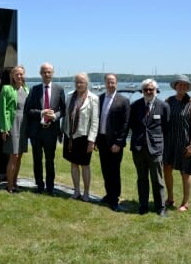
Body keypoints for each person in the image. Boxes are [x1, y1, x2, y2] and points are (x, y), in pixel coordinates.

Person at [128, 79, 169, 216]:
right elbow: (131, 125)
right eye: (146, 89)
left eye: (151, 89)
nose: (148, 91)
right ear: (142, 91)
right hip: (138, 148)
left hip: (156, 148)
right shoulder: (134, 106)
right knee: (142, 179)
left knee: (157, 180)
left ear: (156, 90)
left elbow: (166, 128)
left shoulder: (163, 106)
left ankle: (161, 207)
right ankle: (143, 205)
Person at [25, 62, 66, 195]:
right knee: (37, 159)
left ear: (52, 73)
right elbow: (28, 110)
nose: (47, 74)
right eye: (44, 72)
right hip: (37, 131)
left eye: (49, 72)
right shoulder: (34, 89)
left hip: (51, 131)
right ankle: (39, 185)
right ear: (40, 74)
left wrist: (55, 116)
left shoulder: (59, 89)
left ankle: (50, 187)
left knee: (50, 160)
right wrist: (41, 112)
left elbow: (63, 110)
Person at [61, 73, 99, 202]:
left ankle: (86, 193)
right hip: (70, 136)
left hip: (84, 137)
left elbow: (95, 121)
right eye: (77, 82)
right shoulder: (70, 95)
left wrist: (92, 140)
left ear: (86, 83)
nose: (79, 84)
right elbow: (66, 116)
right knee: (73, 163)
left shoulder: (93, 98)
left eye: (81, 82)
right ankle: (76, 191)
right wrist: (63, 131)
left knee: (85, 165)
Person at [164, 75, 191, 212]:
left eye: (185, 85)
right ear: (176, 86)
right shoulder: (168, 101)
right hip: (169, 142)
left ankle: (185, 202)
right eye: (180, 84)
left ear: (188, 87)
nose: (182, 87)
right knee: (167, 169)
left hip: (184, 143)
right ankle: (170, 198)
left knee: (185, 172)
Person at [96, 73, 130, 211]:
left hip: (115, 142)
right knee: (105, 169)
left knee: (114, 170)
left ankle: (114, 198)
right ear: (105, 83)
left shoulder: (123, 101)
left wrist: (119, 143)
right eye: (108, 82)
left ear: (116, 83)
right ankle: (108, 194)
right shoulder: (100, 98)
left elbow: (126, 124)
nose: (110, 85)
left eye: (113, 82)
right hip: (102, 140)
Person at [0, 65, 29, 193]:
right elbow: (2, 109)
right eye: (17, 74)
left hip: (24, 125)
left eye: (21, 74)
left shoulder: (26, 89)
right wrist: (4, 128)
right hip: (12, 124)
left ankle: (15, 182)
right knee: (14, 155)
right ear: (12, 75)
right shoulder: (6, 89)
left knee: (20, 155)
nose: (19, 76)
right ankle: (9, 184)